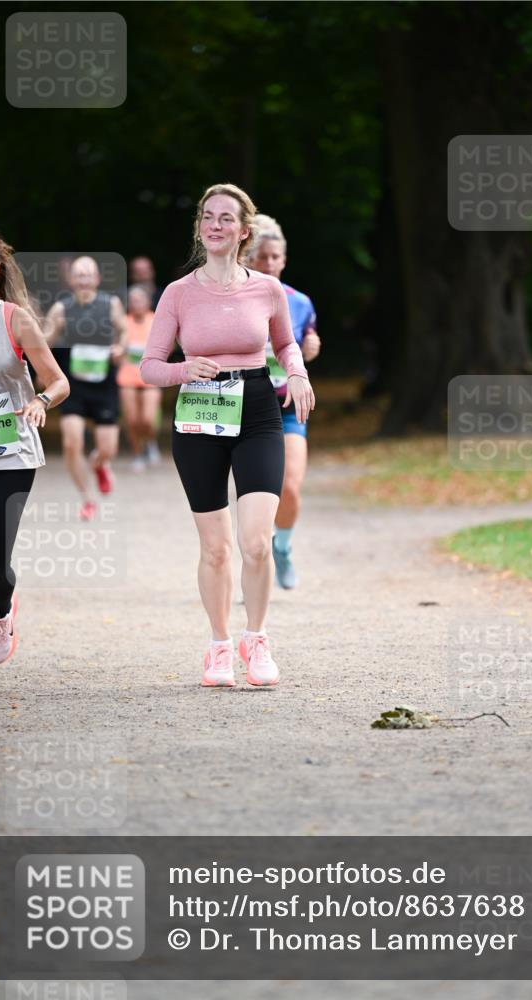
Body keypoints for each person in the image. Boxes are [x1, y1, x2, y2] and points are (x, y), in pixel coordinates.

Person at [140, 183, 315, 688]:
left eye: (226, 218)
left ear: (243, 231)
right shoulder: (178, 293)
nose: (215, 225)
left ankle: (256, 639)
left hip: (258, 410)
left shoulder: (267, 289)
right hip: (199, 415)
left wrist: (297, 373)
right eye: (208, 217)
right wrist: (183, 370)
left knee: (256, 541)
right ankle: (219, 645)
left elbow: (286, 344)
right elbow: (149, 366)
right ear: (200, 227)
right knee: (216, 548)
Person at [0, 228, 69, 699]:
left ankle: (2, 607)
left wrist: (40, 401)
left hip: (10, 453)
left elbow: (58, 381)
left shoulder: (16, 320)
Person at [247, 215, 321, 589]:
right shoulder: (235, 298)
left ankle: (283, 547)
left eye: (275, 257)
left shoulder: (300, 302)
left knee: (289, 487)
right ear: (248, 258)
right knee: (257, 494)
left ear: (284, 260)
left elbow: (307, 341)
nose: (269, 263)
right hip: (247, 405)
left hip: (288, 403)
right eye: (262, 256)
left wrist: (312, 345)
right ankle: (254, 566)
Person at [44, 257, 127, 521]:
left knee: (108, 448)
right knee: (71, 443)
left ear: (97, 278)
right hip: (74, 386)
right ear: (71, 280)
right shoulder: (61, 308)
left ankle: (99, 463)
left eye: (88, 274)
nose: (83, 280)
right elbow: (44, 344)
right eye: (79, 275)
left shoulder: (110, 304)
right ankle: (87, 499)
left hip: (104, 385)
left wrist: (120, 348)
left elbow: (124, 332)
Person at [117, 285, 162, 470]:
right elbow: (117, 347)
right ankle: (138, 454)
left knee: (147, 419)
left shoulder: (156, 320)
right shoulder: (123, 322)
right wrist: (119, 353)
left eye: (139, 300)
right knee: (132, 420)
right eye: (133, 301)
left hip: (150, 376)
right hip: (127, 376)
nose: (136, 304)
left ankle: (150, 442)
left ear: (148, 302)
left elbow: (166, 347)